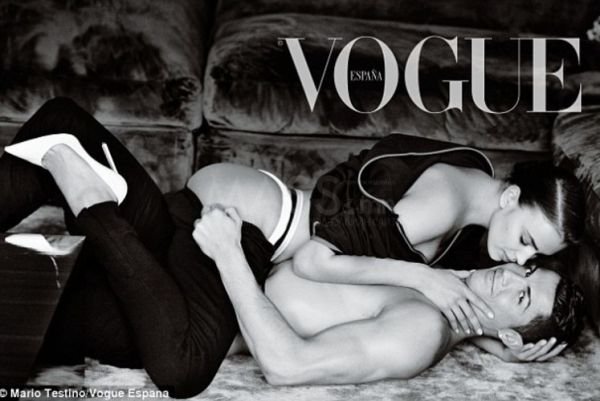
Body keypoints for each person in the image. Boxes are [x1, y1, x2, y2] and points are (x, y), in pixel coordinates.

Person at [0, 98, 584, 396]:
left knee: (50, 308)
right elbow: (317, 260)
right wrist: (231, 252)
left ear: (514, 333)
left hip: (212, 255)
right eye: (525, 259)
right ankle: (90, 197)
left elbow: (294, 361)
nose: (512, 270)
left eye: (525, 281)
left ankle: (71, 148)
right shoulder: (442, 253)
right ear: (511, 198)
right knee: (182, 365)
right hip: (237, 242)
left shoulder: (434, 317)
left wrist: (500, 346)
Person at [193, 206, 586, 384]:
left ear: (513, 334)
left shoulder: (423, 331)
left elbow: (287, 367)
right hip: (241, 266)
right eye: (528, 271)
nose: (510, 276)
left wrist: (228, 255)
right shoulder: (450, 292)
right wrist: (500, 345)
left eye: (522, 297)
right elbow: (476, 319)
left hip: (212, 312)